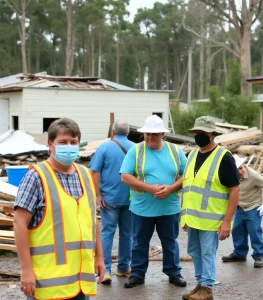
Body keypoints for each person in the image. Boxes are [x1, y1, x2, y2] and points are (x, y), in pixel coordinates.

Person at [13, 118, 105, 300]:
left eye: (73, 142)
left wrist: (99, 257)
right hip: (47, 283)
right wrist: (26, 270)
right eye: (63, 142)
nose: (69, 146)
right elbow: (19, 223)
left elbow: (92, 221)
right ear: (50, 144)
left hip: (80, 281)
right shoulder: (36, 177)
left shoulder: (85, 175)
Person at [120, 114, 187, 288]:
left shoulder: (175, 151)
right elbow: (125, 177)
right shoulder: (135, 150)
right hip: (142, 208)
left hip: (169, 207)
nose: (150, 137)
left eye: (154, 134)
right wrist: (149, 188)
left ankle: (174, 273)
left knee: (170, 242)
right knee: (139, 242)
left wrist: (171, 188)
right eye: (147, 134)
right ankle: (137, 274)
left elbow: (186, 175)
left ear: (163, 135)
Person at [180, 116, 240, 300]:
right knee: (194, 252)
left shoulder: (224, 157)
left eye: (202, 133)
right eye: (196, 133)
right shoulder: (191, 156)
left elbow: (235, 190)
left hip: (212, 218)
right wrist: (184, 217)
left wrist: (227, 222)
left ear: (212, 134)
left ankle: (207, 288)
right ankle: (200, 284)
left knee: (207, 253)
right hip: (192, 218)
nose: (198, 136)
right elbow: (188, 186)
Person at [89, 120, 135, 284]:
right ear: (128, 132)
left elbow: (94, 172)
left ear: (113, 132)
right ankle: (123, 267)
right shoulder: (135, 148)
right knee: (127, 233)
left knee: (107, 233)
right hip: (130, 198)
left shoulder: (104, 147)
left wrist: (98, 195)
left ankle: (106, 270)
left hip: (109, 198)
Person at [222, 155, 263, 268]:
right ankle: (239, 254)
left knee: (255, 231)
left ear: (244, 165)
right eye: (237, 170)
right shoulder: (231, 177)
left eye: (241, 168)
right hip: (240, 207)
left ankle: (260, 256)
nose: (240, 171)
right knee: (237, 230)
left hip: (253, 207)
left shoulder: (254, 176)